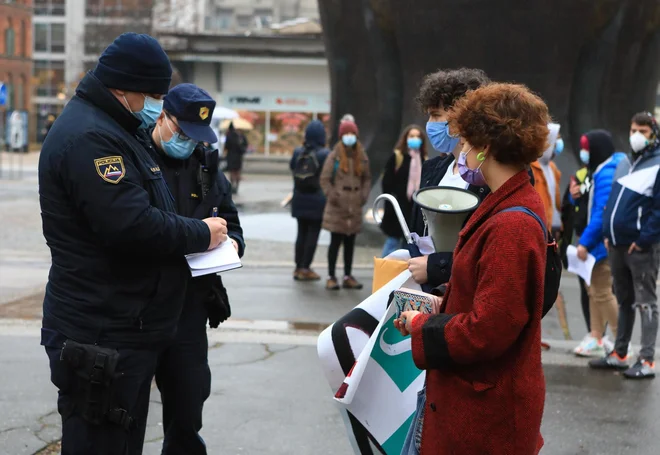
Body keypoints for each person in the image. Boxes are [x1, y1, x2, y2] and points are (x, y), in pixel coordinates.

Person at [38, 33, 227, 454]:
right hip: (101, 332)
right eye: (154, 95)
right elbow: (131, 225)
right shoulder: (91, 138)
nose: (158, 104)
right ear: (122, 88)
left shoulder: (117, 131)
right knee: (101, 443)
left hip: (126, 328)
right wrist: (202, 233)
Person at [396, 83, 549, 454]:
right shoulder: (507, 203)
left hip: (483, 416)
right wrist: (440, 307)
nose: (461, 152)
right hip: (475, 405)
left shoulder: (511, 224)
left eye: (465, 143)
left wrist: (422, 326)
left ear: (486, 147)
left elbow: (489, 328)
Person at [142, 83, 245, 455]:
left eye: (195, 135)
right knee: (127, 416)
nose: (187, 141)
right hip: (142, 307)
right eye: (182, 131)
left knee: (187, 407)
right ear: (163, 117)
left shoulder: (205, 163)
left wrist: (233, 242)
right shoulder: (135, 156)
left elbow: (230, 219)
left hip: (189, 308)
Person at [591, 112, 660, 379]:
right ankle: (620, 354)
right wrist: (608, 233)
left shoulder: (656, 164)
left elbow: (657, 211)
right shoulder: (626, 163)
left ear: (653, 133)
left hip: (640, 248)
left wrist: (644, 241)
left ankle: (646, 359)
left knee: (646, 303)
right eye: (633, 130)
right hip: (617, 244)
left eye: (643, 131)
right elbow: (614, 203)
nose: (636, 136)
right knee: (625, 301)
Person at [408, 68, 491, 287]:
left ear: (461, 116)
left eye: (436, 115)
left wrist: (437, 267)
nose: (430, 124)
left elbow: (488, 251)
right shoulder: (434, 169)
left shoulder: (490, 174)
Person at [571, 130, 624, 357]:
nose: (584, 153)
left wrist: (584, 242)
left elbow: (600, 214)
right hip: (597, 244)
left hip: (600, 245)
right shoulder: (601, 171)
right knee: (593, 290)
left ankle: (622, 342)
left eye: (586, 149)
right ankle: (596, 336)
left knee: (602, 291)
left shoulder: (605, 175)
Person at [319, 120, 371, 290]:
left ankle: (348, 275)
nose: (350, 137)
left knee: (350, 243)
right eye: (346, 134)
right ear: (341, 136)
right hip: (338, 207)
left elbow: (366, 178)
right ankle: (331, 276)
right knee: (335, 243)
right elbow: (325, 179)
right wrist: (333, 195)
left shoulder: (361, 155)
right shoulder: (334, 155)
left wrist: (363, 195)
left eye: (352, 134)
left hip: (354, 205)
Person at [290, 120, 330, 281]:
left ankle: (298, 267)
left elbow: (292, 168)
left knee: (301, 233)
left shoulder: (297, 152)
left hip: (299, 197)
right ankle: (306, 268)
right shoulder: (324, 153)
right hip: (316, 199)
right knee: (312, 234)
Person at [380, 124, 428, 257]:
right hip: (397, 209)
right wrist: (391, 203)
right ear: (405, 138)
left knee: (407, 246)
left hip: (413, 210)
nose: (415, 139)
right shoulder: (398, 157)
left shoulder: (424, 159)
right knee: (392, 242)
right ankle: (383, 269)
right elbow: (387, 182)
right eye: (411, 136)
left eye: (418, 136)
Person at [561, 150, 593, 346]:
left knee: (601, 292)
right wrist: (573, 198)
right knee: (586, 289)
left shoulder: (605, 176)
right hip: (579, 241)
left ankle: (603, 335)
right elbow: (567, 206)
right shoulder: (579, 176)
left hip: (596, 243)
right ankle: (593, 332)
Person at [224, 122, 246, 194]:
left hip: (230, 156)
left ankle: (232, 186)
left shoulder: (229, 136)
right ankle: (237, 186)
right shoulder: (240, 136)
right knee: (238, 171)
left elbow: (226, 146)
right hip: (238, 156)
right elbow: (245, 144)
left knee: (232, 172)